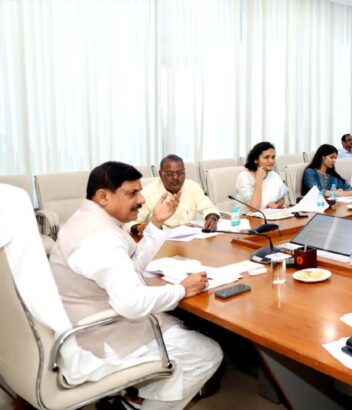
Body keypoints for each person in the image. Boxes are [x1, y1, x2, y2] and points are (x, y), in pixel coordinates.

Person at [50, 161, 223, 409]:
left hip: (93, 322)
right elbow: (131, 304)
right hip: (99, 337)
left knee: (181, 330)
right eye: (132, 193)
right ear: (103, 196)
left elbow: (131, 266)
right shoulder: (98, 239)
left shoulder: (87, 220)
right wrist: (182, 290)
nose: (141, 200)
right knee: (207, 354)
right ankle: (137, 405)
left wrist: (156, 224)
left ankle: (135, 397)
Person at [126, 154, 219, 233]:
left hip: (189, 240)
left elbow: (209, 208)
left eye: (180, 173)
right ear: (160, 174)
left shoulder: (192, 186)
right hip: (161, 241)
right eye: (170, 173)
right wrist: (143, 227)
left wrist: (212, 218)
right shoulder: (146, 193)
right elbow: (130, 223)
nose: (175, 177)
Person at [236, 141, 288, 210]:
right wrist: (259, 179)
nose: (271, 161)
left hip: (269, 214)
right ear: (255, 160)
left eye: (273, 157)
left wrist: (276, 205)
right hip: (247, 216)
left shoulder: (274, 175)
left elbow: (282, 199)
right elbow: (254, 208)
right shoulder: (244, 177)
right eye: (266, 157)